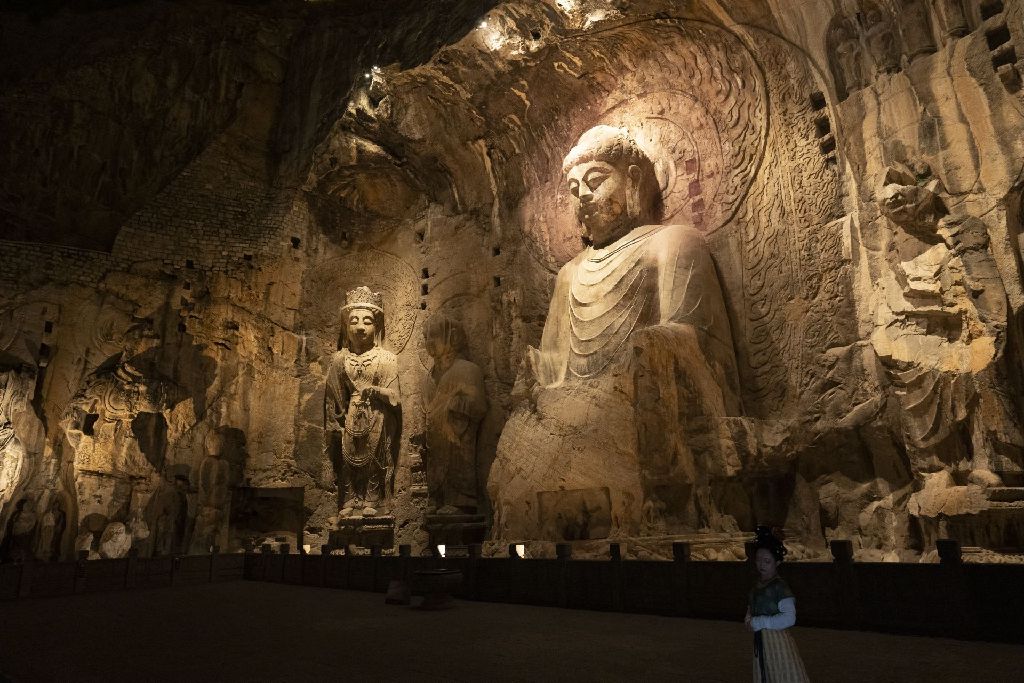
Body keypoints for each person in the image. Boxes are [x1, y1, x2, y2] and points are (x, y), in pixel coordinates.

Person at [745, 526, 810, 682]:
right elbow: (751, 608)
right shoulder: (757, 586)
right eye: (758, 560)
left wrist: (760, 622)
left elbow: (789, 618)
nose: (761, 565)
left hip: (778, 641)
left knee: (782, 674)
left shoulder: (779, 587)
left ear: (777, 562)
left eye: (767, 561)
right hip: (761, 641)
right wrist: (748, 619)